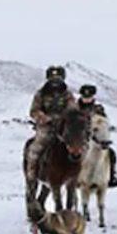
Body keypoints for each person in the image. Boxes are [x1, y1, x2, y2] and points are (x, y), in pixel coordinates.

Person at [24, 65, 75, 215]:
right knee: (35, 149)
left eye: (58, 78)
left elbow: (72, 109)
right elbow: (33, 111)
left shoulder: (68, 95)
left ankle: (77, 177)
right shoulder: (40, 94)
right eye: (52, 78)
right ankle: (32, 175)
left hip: (63, 129)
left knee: (77, 148)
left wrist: (64, 118)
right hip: (45, 128)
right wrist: (43, 117)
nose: (55, 81)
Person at [76, 84, 117, 187]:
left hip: (94, 137)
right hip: (78, 136)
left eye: (89, 97)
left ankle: (111, 176)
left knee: (111, 154)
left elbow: (102, 122)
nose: (87, 99)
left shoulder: (98, 109)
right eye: (85, 97)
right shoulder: (74, 107)